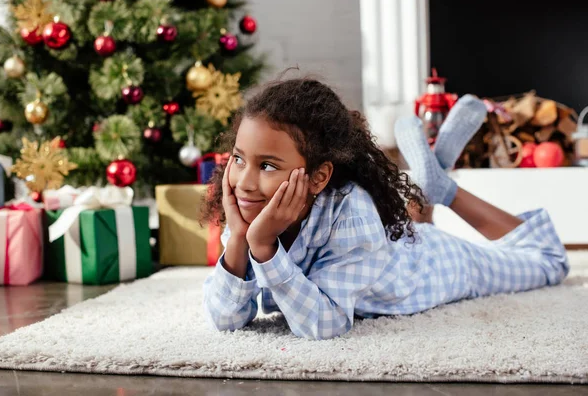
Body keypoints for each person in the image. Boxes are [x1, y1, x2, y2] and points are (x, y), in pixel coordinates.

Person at [201, 78, 569, 340]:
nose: (244, 181)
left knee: (547, 261)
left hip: (429, 267)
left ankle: (443, 189)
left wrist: (263, 249)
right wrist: (238, 244)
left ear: (318, 177)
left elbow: (326, 324)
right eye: (238, 158)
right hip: (388, 246)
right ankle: (426, 191)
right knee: (409, 227)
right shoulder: (253, 205)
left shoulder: (353, 215)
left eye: (266, 165)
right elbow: (226, 318)